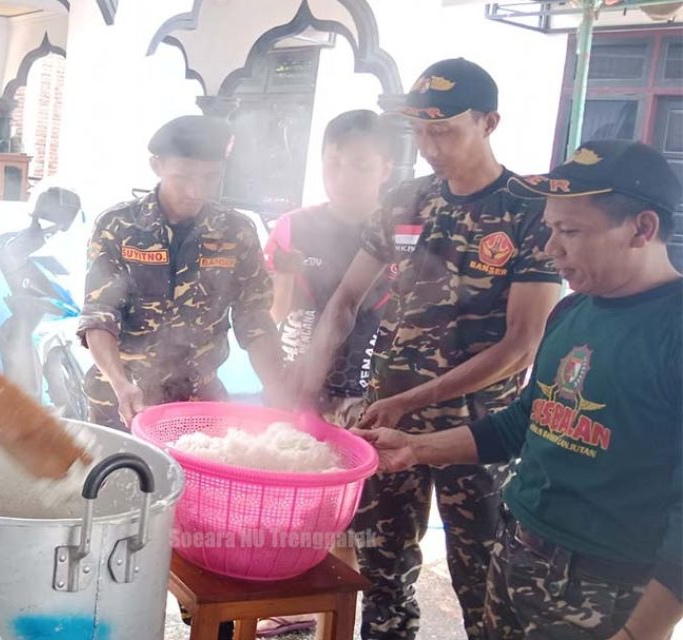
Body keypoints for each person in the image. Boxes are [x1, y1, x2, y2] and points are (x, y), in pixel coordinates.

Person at [360, 139, 683, 640]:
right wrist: (416, 449)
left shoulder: (672, 331)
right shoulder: (574, 312)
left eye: (570, 231)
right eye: (551, 228)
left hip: (603, 591)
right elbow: (526, 421)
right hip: (517, 558)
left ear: (642, 229)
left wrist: (643, 632)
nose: (552, 248)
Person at [293, 58, 562, 639]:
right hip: (385, 425)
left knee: (484, 583)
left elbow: (523, 343)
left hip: (477, 434)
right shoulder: (405, 201)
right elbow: (344, 302)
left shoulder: (530, 210)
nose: (430, 145)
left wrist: (415, 398)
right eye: (419, 130)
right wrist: (305, 387)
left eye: (444, 130)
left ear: (489, 122)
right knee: (382, 577)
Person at [258, 109, 396, 638]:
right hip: (301, 386)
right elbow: (275, 313)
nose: (342, 176)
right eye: (332, 163)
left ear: (386, 166)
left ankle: (337, 620)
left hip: (375, 390)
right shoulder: (295, 226)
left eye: (359, 166)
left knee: (360, 521)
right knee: (296, 508)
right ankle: (288, 615)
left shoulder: (408, 227)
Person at [78, 115, 284, 431]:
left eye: (209, 178)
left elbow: (253, 318)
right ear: (156, 165)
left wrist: (277, 386)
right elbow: (99, 315)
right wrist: (121, 383)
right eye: (183, 176)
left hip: (200, 402)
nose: (195, 191)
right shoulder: (117, 226)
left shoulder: (236, 232)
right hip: (122, 400)